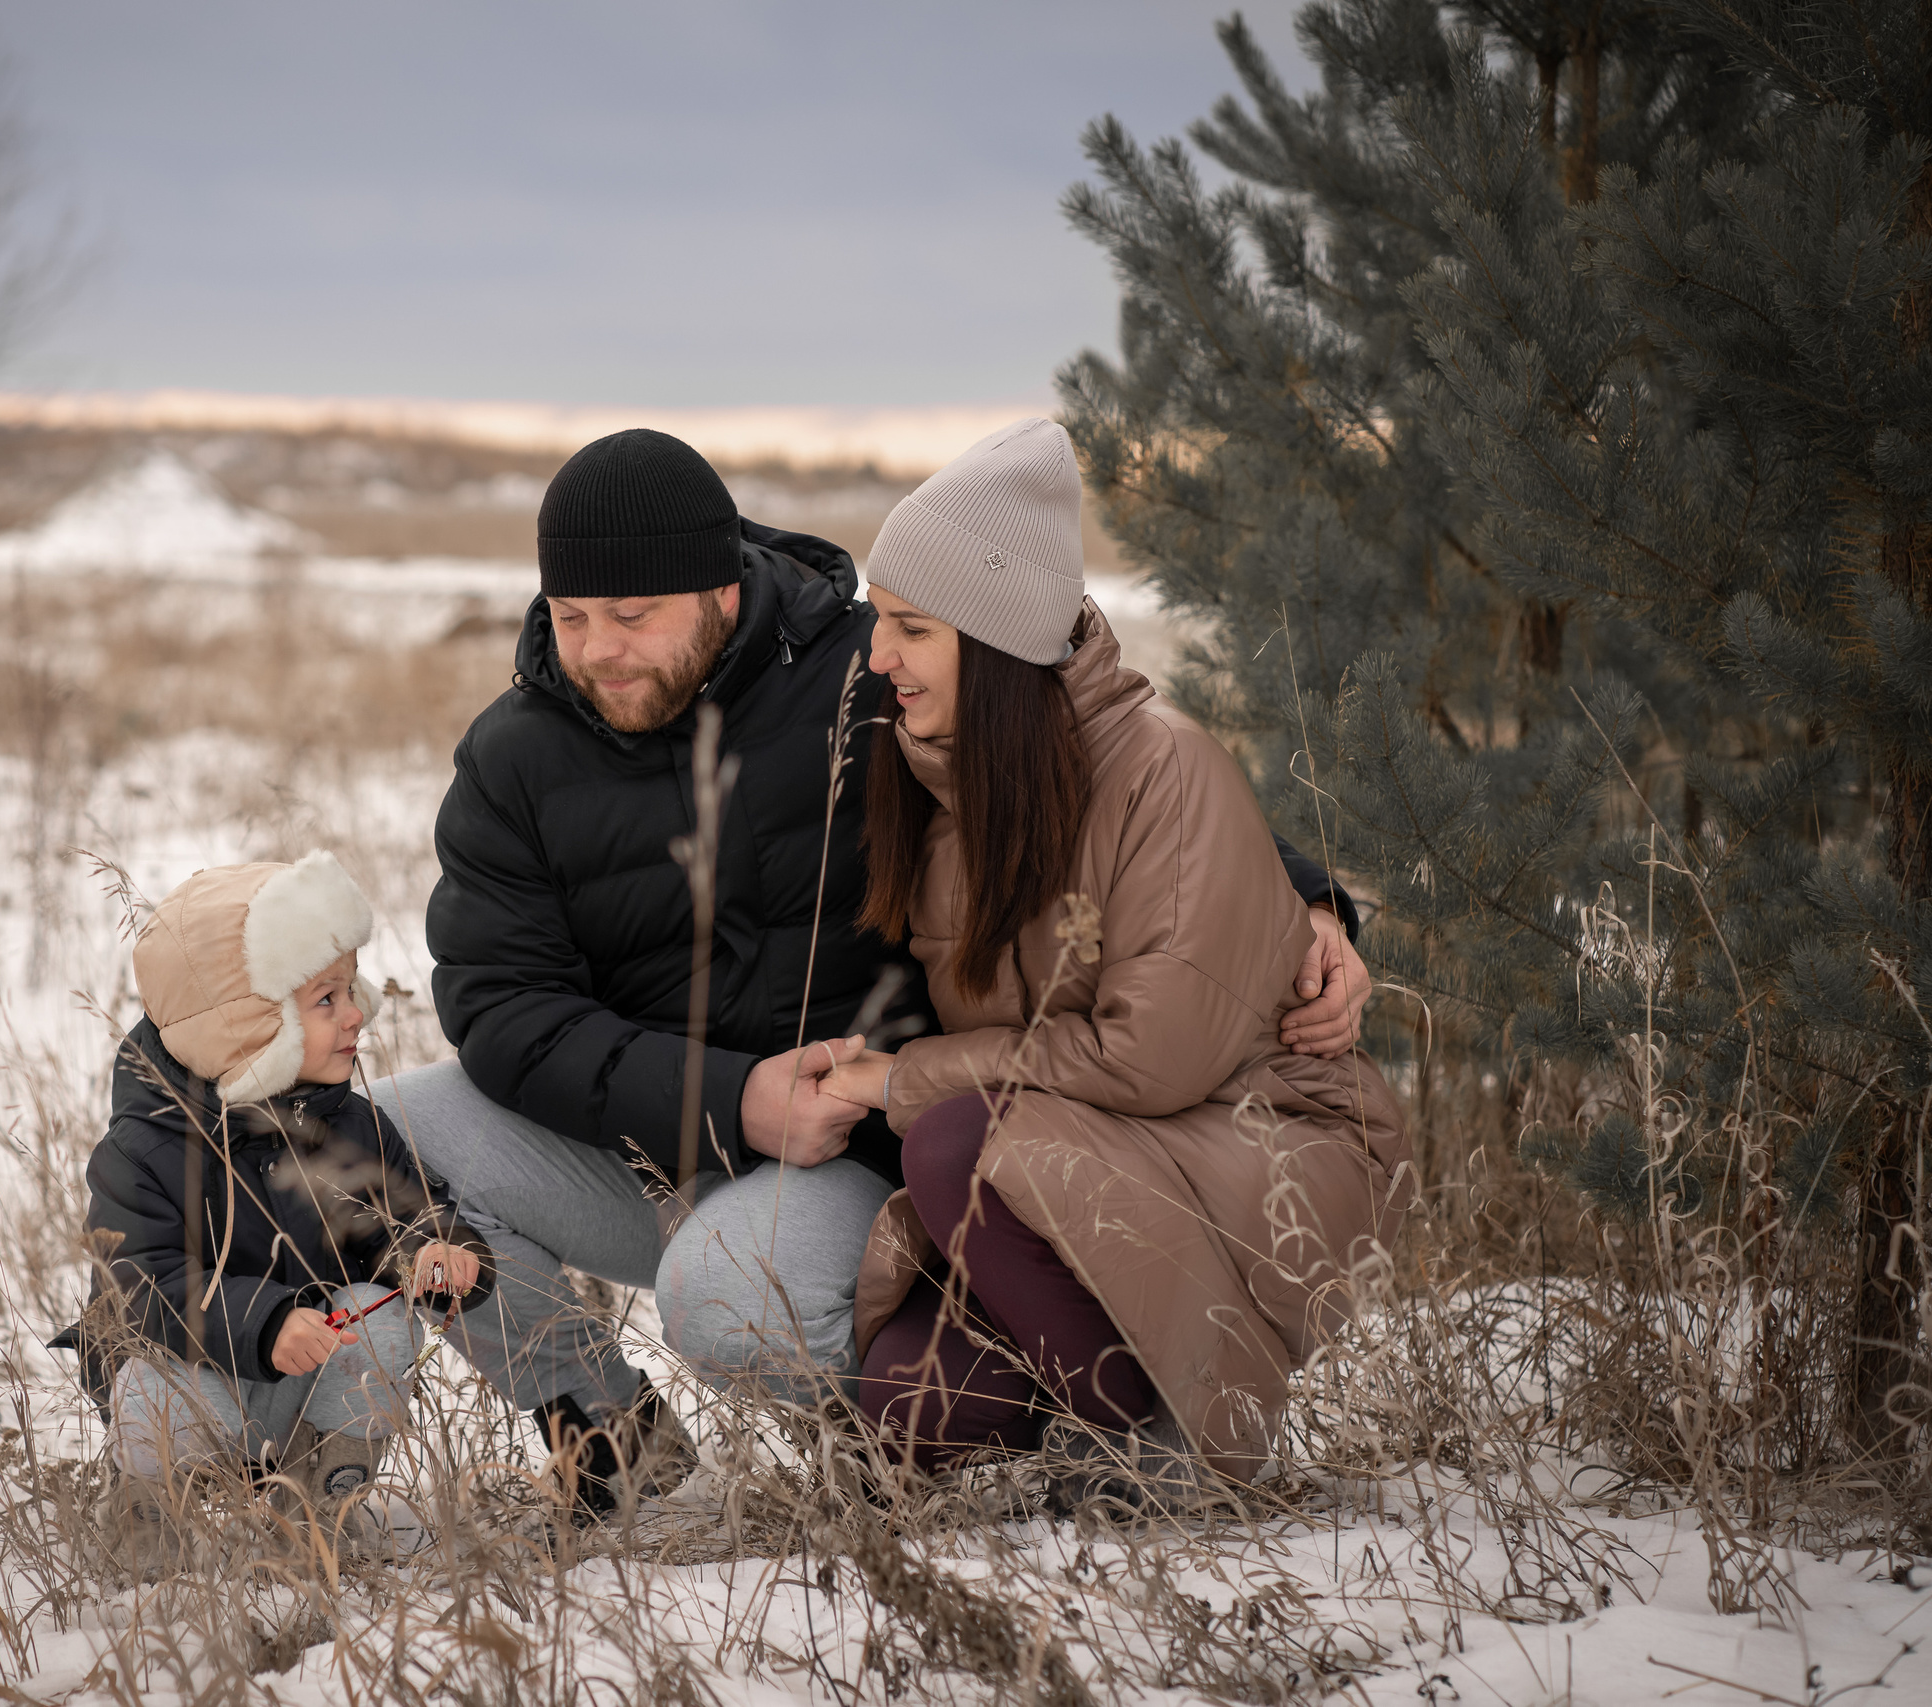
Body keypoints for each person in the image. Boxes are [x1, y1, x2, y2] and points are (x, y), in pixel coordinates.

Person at [369, 427, 1378, 1515]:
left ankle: (947, 1410)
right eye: (571, 618)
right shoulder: (513, 758)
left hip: (870, 1146)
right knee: (360, 1142)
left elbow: (1090, 757)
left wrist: (1302, 902)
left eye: (633, 616)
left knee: (724, 1302)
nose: (600, 649)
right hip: (661, 1145)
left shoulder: (866, 669)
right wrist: (731, 1101)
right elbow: (502, 1007)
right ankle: (604, 1433)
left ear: (718, 588)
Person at [814, 419, 1414, 1508]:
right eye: (877, 624)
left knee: (951, 1139)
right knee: (905, 1404)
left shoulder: (1164, 768)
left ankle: (1171, 1431)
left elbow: (1153, 1058)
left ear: (994, 645)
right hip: (1088, 1154)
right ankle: (1080, 1369)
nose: (877, 656)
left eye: (909, 628)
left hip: (1252, 1137)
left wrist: (896, 1081)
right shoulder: (941, 781)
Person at [62, 852, 494, 1575]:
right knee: (147, 1378)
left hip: (308, 1378)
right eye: (325, 999)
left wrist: (434, 1247)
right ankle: (147, 1528)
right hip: (196, 1384)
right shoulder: (141, 1151)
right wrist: (262, 1321)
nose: (357, 1013)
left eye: (350, 988)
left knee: (378, 1321)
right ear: (244, 1024)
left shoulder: (347, 1125)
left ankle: (317, 1514)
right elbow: (143, 1286)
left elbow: (402, 1213)